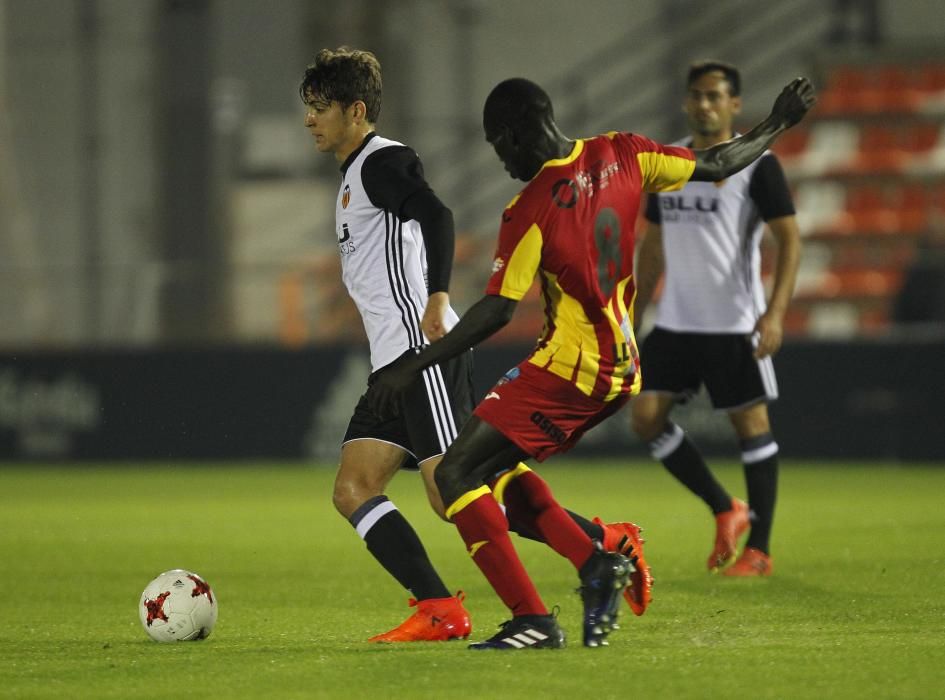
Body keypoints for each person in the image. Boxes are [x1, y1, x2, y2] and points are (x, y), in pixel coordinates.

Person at [369, 75, 814, 649]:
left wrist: (416, 364)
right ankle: (597, 556)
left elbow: (500, 310)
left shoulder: (529, 207)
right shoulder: (625, 152)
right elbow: (720, 162)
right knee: (494, 472)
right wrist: (778, 123)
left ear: (514, 134)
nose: (499, 157)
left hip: (571, 369)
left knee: (455, 475)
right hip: (621, 364)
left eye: (496, 143)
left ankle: (533, 619)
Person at [299, 47, 650, 644]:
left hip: (418, 352)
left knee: (454, 487)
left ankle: (595, 546)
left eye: (320, 108)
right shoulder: (353, 176)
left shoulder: (381, 164)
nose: (310, 120)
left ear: (356, 111)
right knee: (353, 487)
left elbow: (436, 214)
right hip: (391, 360)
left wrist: (437, 296)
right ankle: (439, 606)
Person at [631, 61, 803, 578]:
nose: (704, 105)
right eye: (696, 96)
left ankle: (761, 550)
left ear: (734, 105)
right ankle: (726, 508)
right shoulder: (672, 161)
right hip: (677, 322)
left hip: (734, 322)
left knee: (751, 427)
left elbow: (791, 240)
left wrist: (774, 313)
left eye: (715, 97)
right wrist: (633, 317)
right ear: (686, 102)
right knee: (645, 420)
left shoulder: (759, 164)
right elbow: (653, 247)